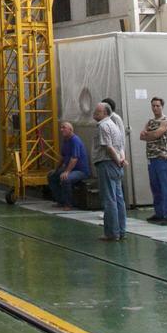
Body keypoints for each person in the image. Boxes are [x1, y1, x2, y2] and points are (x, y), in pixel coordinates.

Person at [140, 96, 167, 225]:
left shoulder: (166, 121)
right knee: (155, 187)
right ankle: (159, 213)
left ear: (162, 106)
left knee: (166, 187)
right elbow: (141, 136)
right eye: (153, 106)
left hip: (162, 158)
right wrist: (151, 135)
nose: (155, 108)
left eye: (158, 106)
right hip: (151, 158)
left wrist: (149, 135)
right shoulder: (150, 121)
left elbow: (156, 134)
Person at [93, 102, 126, 242]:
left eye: (98, 112)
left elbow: (109, 147)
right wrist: (121, 160)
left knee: (110, 199)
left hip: (107, 164)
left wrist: (117, 160)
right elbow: (121, 146)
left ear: (105, 113)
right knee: (118, 199)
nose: (95, 114)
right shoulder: (115, 126)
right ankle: (121, 230)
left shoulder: (103, 126)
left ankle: (112, 233)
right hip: (116, 165)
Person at [47, 121, 90, 209]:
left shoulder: (75, 140)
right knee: (51, 176)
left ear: (70, 130)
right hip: (71, 169)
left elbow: (74, 158)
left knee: (65, 179)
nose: (61, 129)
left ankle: (68, 204)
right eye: (61, 128)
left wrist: (67, 172)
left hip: (81, 171)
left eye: (64, 128)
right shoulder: (65, 141)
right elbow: (62, 157)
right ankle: (60, 200)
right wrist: (56, 169)